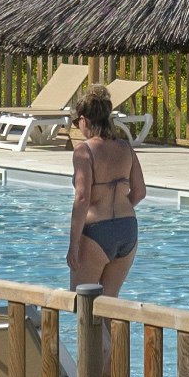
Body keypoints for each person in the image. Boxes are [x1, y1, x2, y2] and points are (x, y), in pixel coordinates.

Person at [66, 86, 148, 295]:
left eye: (77, 122)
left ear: (84, 119)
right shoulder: (125, 147)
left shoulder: (84, 150)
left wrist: (73, 245)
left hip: (96, 232)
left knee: (82, 303)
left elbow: (83, 198)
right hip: (127, 229)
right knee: (108, 307)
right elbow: (140, 192)